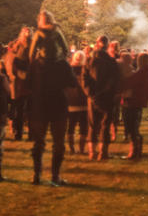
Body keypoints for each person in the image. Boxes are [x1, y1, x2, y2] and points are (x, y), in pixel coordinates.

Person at [29, 27, 77, 185]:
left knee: (39, 143)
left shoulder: (35, 64)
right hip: (58, 106)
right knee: (58, 143)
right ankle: (55, 176)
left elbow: (27, 82)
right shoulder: (62, 64)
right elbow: (73, 83)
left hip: (39, 106)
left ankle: (37, 175)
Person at [81, 35, 120, 161]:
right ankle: (103, 152)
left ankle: (92, 152)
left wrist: (90, 93)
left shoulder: (89, 61)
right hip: (107, 98)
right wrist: (107, 92)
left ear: (97, 44)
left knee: (92, 125)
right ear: (107, 45)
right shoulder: (111, 62)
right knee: (105, 125)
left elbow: (84, 79)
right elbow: (114, 80)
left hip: (92, 98)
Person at [121, 52, 148, 160]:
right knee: (135, 126)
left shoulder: (141, 72)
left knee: (132, 127)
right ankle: (137, 150)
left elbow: (129, 82)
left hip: (133, 101)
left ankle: (134, 151)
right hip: (139, 101)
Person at [5, 26, 32, 140]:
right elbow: (11, 62)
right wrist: (15, 74)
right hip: (19, 82)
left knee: (27, 108)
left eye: (28, 33)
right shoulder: (17, 47)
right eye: (25, 33)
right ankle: (18, 131)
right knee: (18, 108)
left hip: (28, 81)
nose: (27, 34)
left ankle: (26, 132)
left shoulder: (32, 46)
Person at [67, 50, 88, 155]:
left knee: (71, 125)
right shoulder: (86, 69)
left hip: (71, 101)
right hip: (84, 101)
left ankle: (72, 149)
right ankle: (82, 149)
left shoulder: (68, 70)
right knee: (83, 126)